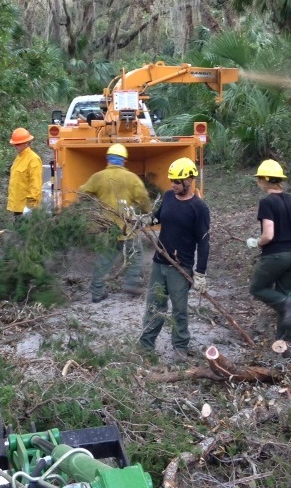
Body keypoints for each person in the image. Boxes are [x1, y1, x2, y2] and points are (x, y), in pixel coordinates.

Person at [138, 158, 210, 360]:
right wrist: (145, 219)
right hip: (160, 262)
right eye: (172, 181)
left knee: (179, 310)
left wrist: (200, 273)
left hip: (180, 267)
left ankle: (180, 347)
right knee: (154, 306)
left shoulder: (199, 208)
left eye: (177, 182)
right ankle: (145, 347)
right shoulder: (169, 197)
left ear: (189, 179)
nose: (173, 185)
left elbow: (204, 242)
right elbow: (157, 217)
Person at [246, 160, 291, 344]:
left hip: (275, 256)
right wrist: (290, 229)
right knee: (289, 297)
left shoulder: (267, 202)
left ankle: (285, 304)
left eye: (259, 179)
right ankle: (288, 343)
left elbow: (268, 235)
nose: (258, 182)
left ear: (265, 180)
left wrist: (256, 242)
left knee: (257, 288)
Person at [79, 144, 152, 302]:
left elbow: (83, 194)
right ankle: (131, 284)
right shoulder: (132, 178)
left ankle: (97, 293)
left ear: (108, 160)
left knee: (103, 259)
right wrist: (148, 213)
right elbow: (143, 199)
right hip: (128, 227)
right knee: (136, 255)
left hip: (106, 228)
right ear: (123, 161)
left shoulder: (98, 177)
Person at [7, 127, 42, 218]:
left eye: (18, 144)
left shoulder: (33, 159)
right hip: (18, 207)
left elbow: (35, 185)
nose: (15, 146)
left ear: (26, 143)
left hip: (26, 209)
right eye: (15, 144)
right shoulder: (19, 158)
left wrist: (30, 207)